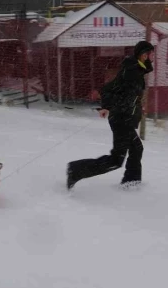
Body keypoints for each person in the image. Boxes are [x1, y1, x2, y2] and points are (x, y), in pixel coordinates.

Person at [66, 40, 155, 191]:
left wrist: (137, 106)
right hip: (121, 120)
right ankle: (76, 170)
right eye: (150, 53)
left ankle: (131, 181)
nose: (152, 56)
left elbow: (125, 93)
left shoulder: (137, 69)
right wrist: (107, 107)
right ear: (143, 55)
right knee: (116, 160)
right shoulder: (131, 70)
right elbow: (109, 89)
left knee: (137, 148)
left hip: (125, 118)